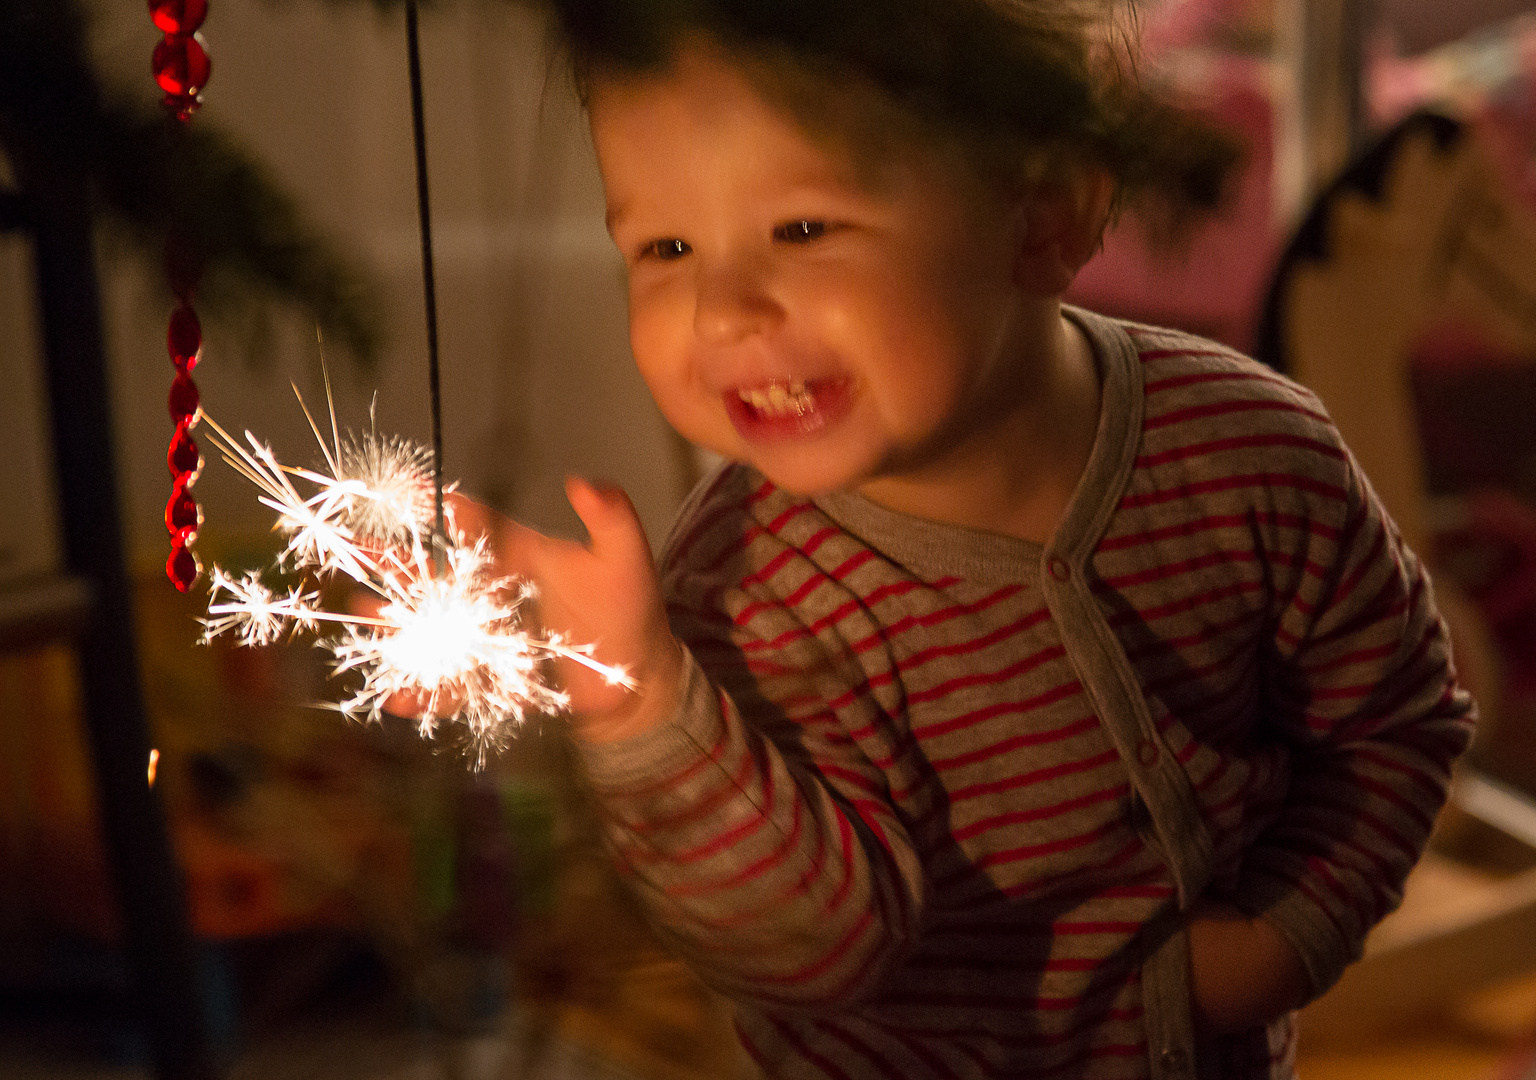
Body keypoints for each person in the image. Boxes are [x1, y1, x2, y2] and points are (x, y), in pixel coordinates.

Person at [449, 2, 1477, 1076]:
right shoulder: (738, 593)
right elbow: (816, 954)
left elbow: (1395, 722)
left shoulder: (1253, 449)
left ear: (1043, 215)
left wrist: (1286, 936)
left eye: (801, 228)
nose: (720, 313)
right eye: (664, 246)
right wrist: (643, 707)